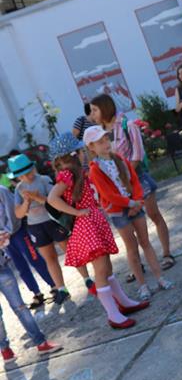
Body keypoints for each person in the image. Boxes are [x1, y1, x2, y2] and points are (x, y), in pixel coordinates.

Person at [45, 134, 148, 330]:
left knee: (107, 267)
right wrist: (77, 212)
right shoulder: (68, 174)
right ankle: (113, 314)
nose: (84, 154)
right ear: (73, 155)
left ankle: (123, 303)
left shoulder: (79, 173)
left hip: (93, 221)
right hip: (86, 226)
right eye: (81, 152)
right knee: (100, 270)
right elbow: (52, 198)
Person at [84, 125, 174, 300]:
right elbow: (108, 194)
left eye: (106, 139)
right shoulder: (95, 169)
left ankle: (159, 277)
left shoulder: (120, 159)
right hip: (119, 212)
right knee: (132, 248)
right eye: (99, 142)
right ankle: (142, 285)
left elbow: (135, 180)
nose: (105, 144)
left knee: (145, 242)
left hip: (135, 205)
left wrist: (138, 201)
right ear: (91, 147)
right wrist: (130, 202)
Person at [89, 94, 175, 272]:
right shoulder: (99, 133)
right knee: (128, 229)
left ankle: (166, 254)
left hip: (137, 180)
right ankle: (137, 265)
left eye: (95, 110)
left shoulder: (127, 125)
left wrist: (125, 177)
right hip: (117, 190)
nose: (92, 114)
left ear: (105, 107)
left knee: (153, 215)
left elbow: (137, 155)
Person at [9, 154, 71, 304]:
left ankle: (87, 278)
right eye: (22, 175)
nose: (27, 176)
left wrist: (38, 198)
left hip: (52, 221)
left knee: (69, 251)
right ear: (17, 177)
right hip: (35, 226)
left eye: (28, 172)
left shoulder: (43, 180)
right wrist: (26, 202)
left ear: (33, 168)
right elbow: (18, 213)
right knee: (49, 258)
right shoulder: (19, 189)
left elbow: (55, 201)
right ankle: (61, 288)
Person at [0, 228, 61, 362]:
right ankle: (5, 349)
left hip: (2, 268)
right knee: (18, 308)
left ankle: (39, 343)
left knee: (20, 307)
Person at [0, 182, 54, 309]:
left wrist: (8, 231)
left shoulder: (2, 191)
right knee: (20, 267)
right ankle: (36, 293)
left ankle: (54, 285)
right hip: (3, 239)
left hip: (17, 231)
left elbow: (12, 212)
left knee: (34, 258)